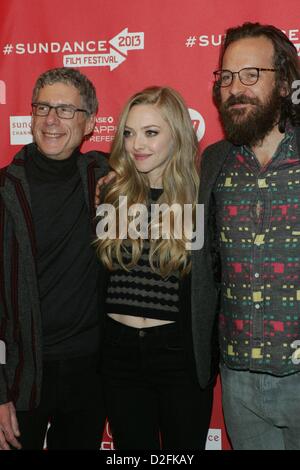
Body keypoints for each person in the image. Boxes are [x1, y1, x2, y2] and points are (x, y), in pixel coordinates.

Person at [94, 86, 219, 450]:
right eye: (130, 133)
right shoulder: (111, 194)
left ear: (177, 135)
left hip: (178, 355)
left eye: (151, 133)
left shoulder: (202, 199)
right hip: (118, 355)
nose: (137, 145)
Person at [202, 22, 300, 449]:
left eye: (250, 75)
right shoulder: (214, 162)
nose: (234, 88)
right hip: (238, 380)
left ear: (284, 84)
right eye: (226, 77)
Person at [0, 67, 109, 450]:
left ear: (90, 122)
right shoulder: (3, 191)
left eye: (65, 110)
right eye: (42, 107)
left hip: (90, 372)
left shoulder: (105, 176)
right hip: (20, 375)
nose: (50, 119)